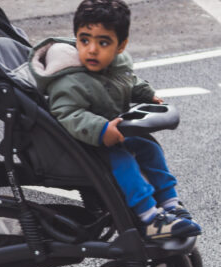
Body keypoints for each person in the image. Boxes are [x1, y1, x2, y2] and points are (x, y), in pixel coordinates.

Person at [28, 0, 201, 241]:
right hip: (84, 146)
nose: (92, 50)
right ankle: (150, 218)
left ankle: (171, 203)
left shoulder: (116, 65)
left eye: (103, 42)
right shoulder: (68, 81)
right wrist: (99, 129)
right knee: (123, 161)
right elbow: (68, 114)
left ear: (121, 46)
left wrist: (145, 93)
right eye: (84, 40)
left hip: (113, 136)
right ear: (75, 38)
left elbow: (126, 81)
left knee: (149, 148)